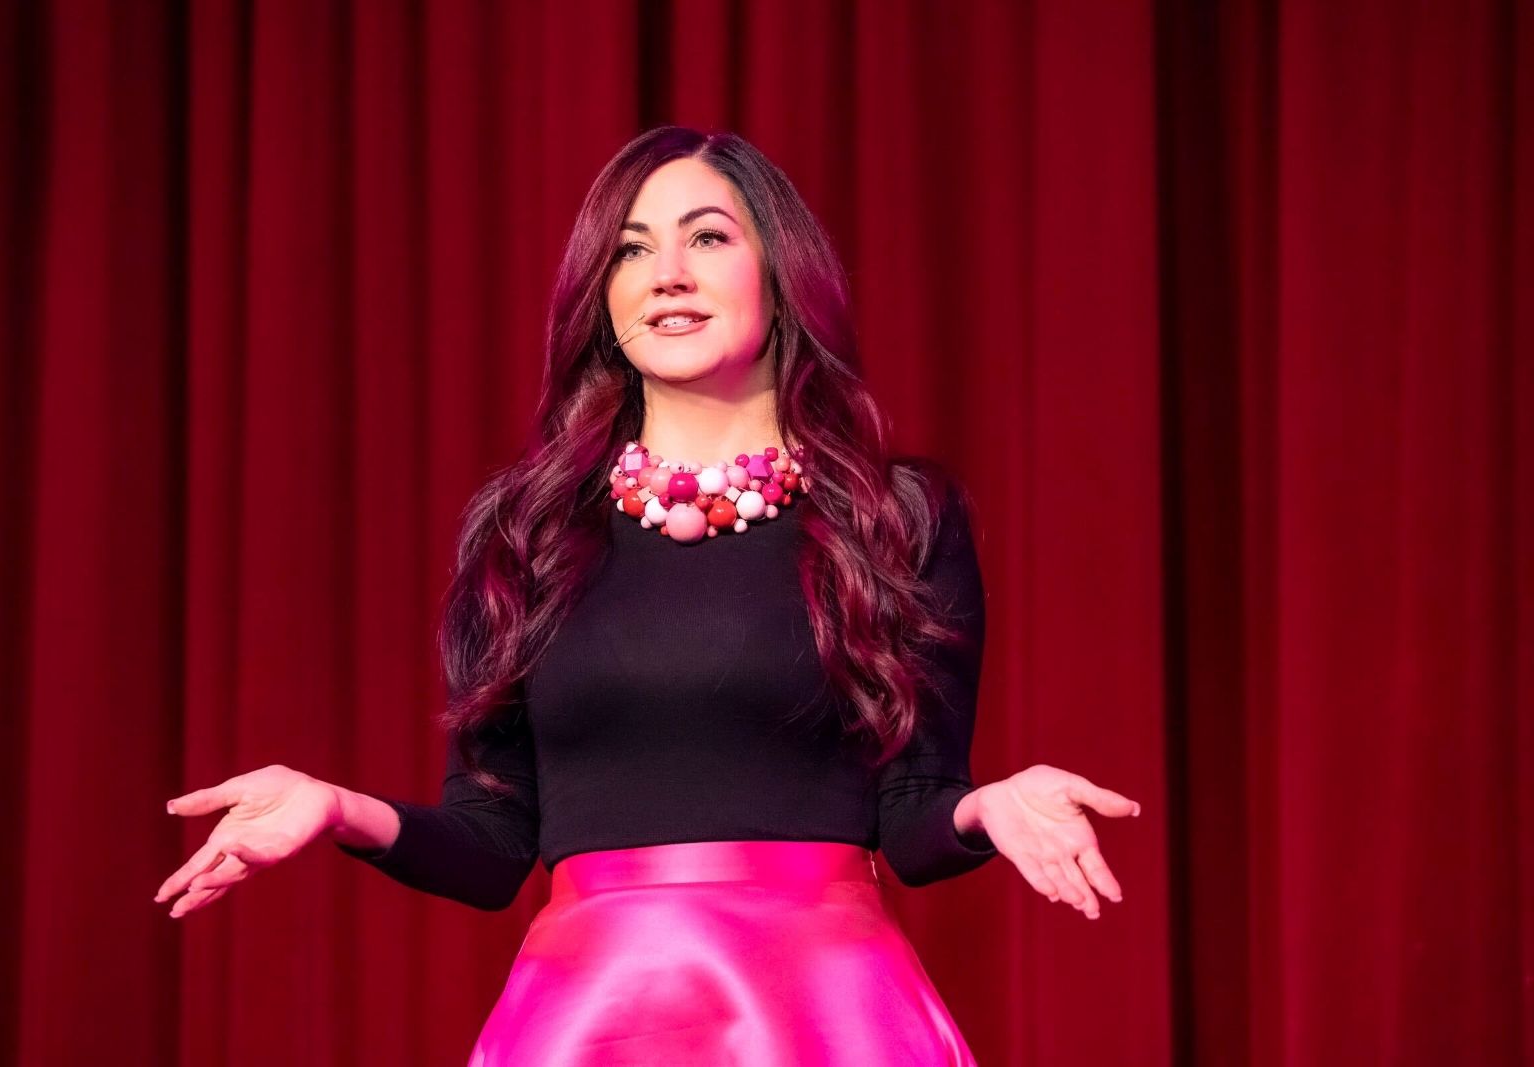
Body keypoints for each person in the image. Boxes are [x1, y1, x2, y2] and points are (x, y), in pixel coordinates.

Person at [154, 125, 1141, 1065]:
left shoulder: (892, 516)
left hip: (819, 1010)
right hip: (593, 1013)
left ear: (782, 275)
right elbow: (494, 845)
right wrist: (338, 808)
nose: (667, 273)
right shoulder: (525, 526)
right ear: (603, 294)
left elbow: (916, 818)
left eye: (706, 238)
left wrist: (989, 809)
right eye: (631, 251)